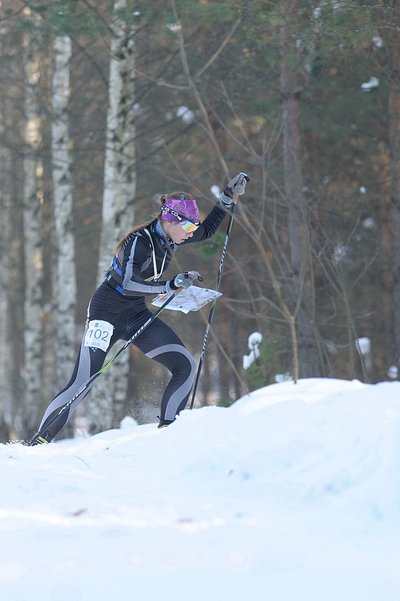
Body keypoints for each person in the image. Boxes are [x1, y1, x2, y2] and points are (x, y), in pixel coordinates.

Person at [29, 172, 249, 445]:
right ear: (170, 220)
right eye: (187, 228)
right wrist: (168, 286)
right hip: (105, 313)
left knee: (185, 366)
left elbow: (206, 230)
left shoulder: (172, 238)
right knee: (81, 383)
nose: (191, 233)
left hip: (135, 315)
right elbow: (128, 282)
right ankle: (38, 442)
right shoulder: (139, 242)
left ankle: (168, 435)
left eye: (191, 228)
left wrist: (226, 198)